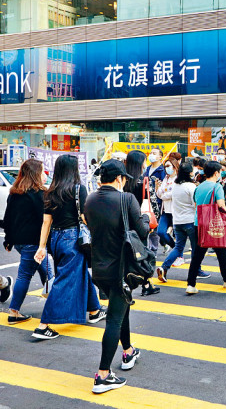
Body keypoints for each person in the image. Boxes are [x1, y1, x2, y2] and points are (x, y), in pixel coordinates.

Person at [85, 159, 150, 394]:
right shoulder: (126, 199)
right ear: (120, 178)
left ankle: (128, 350)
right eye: (124, 179)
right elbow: (143, 232)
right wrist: (143, 215)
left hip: (99, 268)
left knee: (122, 308)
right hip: (122, 268)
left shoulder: (90, 199)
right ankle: (103, 375)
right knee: (114, 318)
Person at [33, 155, 105, 340]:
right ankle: (43, 325)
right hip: (73, 238)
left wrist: (42, 247)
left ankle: (94, 310)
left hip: (55, 239)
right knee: (65, 278)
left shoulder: (50, 191)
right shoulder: (78, 189)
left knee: (77, 272)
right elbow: (84, 218)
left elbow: (46, 222)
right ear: (73, 169)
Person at [3, 159, 51, 324]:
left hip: (19, 242)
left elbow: (8, 218)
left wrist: (8, 241)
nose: (45, 174)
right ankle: (14, 312)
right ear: (35, 173)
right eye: (43, 171)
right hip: (33, 243)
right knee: (26, 275)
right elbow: (43, 220)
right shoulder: (39, 194)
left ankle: (55, 305)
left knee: (46, 271)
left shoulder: (15, 193)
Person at [187, 161, 226, 294]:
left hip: (199, 223)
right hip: (214, 224)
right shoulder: (216, 186)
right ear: (215, 173)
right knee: (222, 252)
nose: (220, 174)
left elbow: (196, 205)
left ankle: (191, 284)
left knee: (197, 255)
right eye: (220, 172)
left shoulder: (198, 187)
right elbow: (220, 205)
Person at [124, 151, 164, 295]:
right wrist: (154, 221)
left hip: (124, 222)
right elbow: (152, 202)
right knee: (142, 254)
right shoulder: (143, 181)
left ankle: (143, 285)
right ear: (141, 163)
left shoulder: (123, 180)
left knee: (127, 255)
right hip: (140, 221)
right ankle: (146, 284)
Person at [156, 163, 197, 283]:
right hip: (190, 221)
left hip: (177, 221)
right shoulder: (191, 186)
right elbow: (195, 204)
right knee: (195, 248)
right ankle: (195, 272)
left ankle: (164, 267)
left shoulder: (175, 186)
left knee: (178, 247)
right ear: (190, 173)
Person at [156, 157, 178, 255]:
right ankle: (174, 247)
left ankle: (178, 253)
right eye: (165, 166)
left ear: (175, 166)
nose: (166, 168)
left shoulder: (178, 179)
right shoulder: (165, 178)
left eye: (168, 166)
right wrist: (162, 193)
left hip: (175, 210)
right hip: (165, 210)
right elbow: (159, 193)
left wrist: (163, 195)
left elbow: (173, 193)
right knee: (160, 231)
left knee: (178, 234)